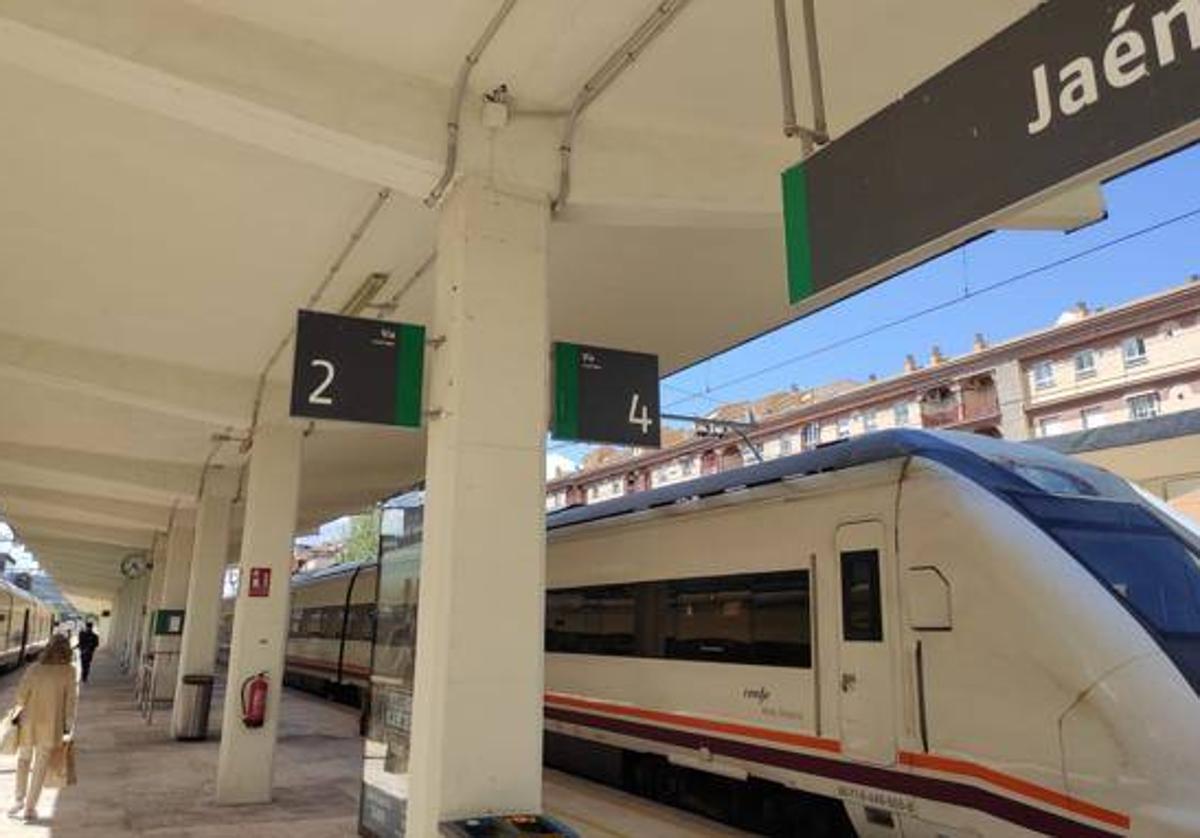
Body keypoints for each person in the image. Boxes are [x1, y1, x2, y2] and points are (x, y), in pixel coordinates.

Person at [7, 634, 77, 822]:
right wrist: (68, 724)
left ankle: (18, 799)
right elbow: (70, 701)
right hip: (52, 724)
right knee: (40, 766)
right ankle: (30, 808)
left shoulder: (34, 669)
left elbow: (21, 696)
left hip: (29, 722)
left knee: (23, 759)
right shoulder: (69, 671)